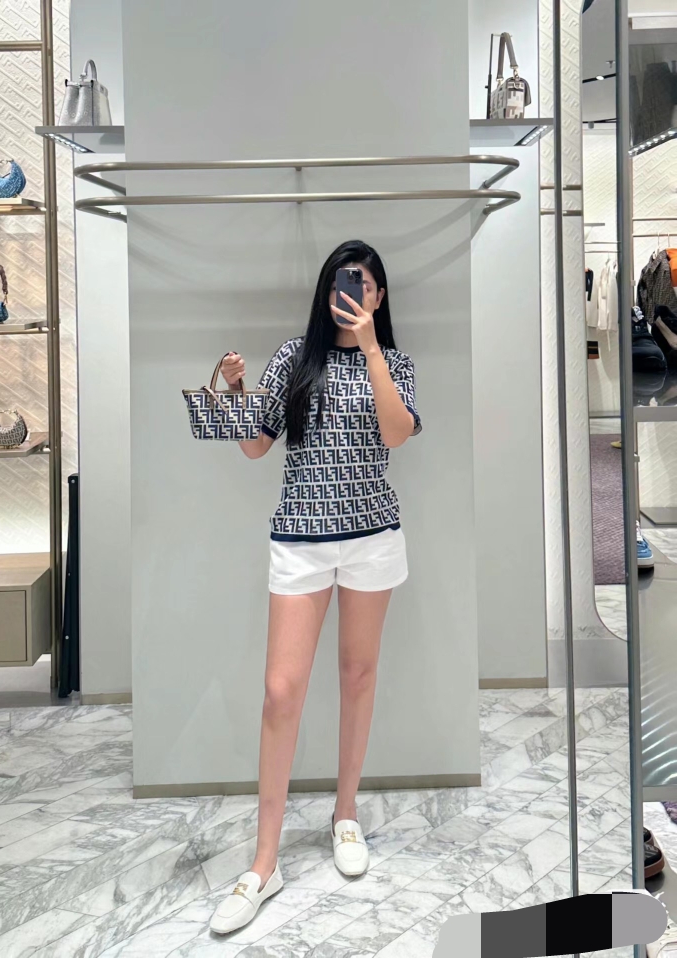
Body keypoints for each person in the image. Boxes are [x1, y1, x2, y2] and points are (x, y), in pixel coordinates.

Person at [209, 239, 421, 935]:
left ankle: (345, 814)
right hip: (300, 538)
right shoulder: (292, 357)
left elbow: (397, 435)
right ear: (326, 289)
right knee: (281, 692)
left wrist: (371, 347)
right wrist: (233, 390)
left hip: (371, 537)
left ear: (379, 297)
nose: (351, 293)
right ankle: (263, 861)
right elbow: (254, 445)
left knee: (358, 676)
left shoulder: (394, 363)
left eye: (364, 284)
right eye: (341, 282)